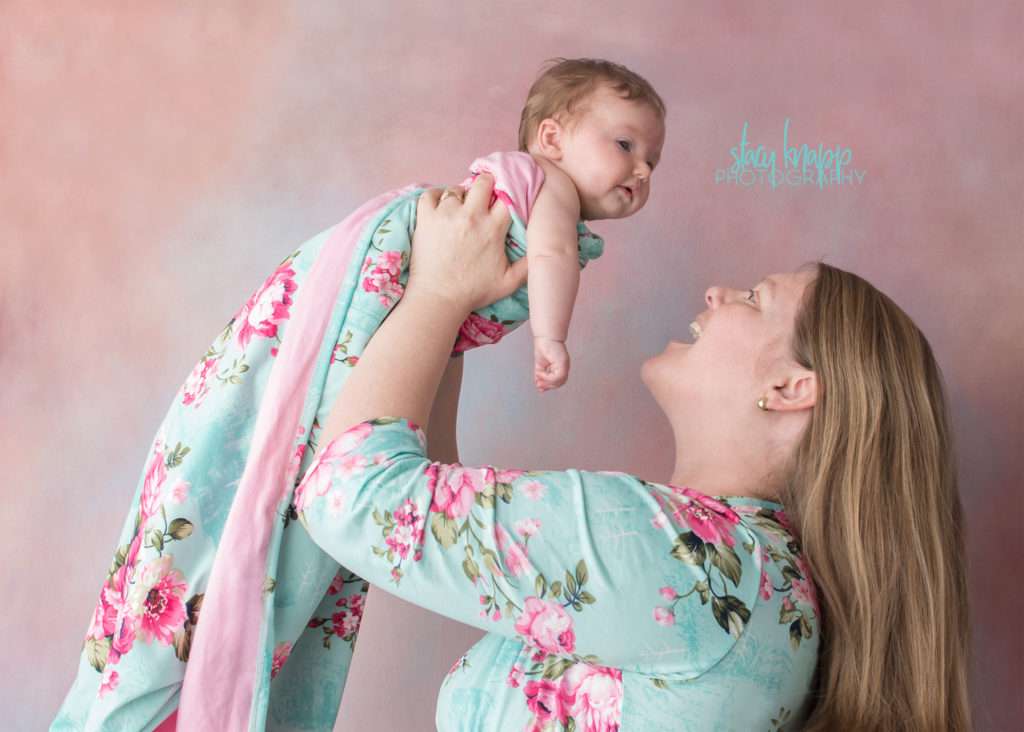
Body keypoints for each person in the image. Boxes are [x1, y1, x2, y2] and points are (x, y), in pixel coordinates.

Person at [52, 59, 664, 730]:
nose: (641, 171)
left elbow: (444, 330)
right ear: (551, 137)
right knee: (289, 507)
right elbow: (549, 257)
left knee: (262, 493)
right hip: (370, 288)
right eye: (625, 144)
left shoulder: (504, 198)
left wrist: (437, 447)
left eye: (652, 160)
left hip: (374, 297)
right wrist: (553, 339)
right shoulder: (549, 192)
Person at [293, 178, 973, 730]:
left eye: (754, 300)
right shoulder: (753, 576)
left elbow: (352, 499)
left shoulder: (689, 561)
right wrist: (454, 320)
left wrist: (438, 292)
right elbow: (437, 516)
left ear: (792, 387)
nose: (717, 293)